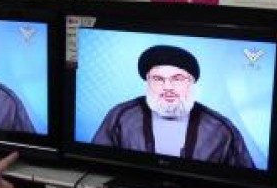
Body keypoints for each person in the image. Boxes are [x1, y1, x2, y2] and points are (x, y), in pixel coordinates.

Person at [91, 45, 255, 168]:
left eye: (177, 79)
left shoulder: (221, 128)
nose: (167, 87)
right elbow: (95, 164)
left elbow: (246, 180)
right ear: (148, 82)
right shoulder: (121, 116)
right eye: (158, 79)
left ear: (191, 82)